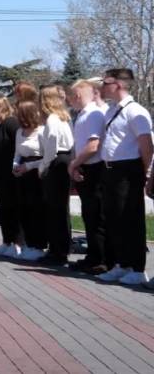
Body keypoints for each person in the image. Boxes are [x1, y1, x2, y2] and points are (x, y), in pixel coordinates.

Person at [96, 69, 153, 286]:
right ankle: (121, 263)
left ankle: (137, 268)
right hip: (110, 169)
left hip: (128, 171)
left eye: (106, 82)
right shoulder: (111, 111)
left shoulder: (135, 111)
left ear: (118, 84)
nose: (103, 86)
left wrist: (148, 175)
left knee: (130, 218)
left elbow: (146, 145)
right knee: (114, 217)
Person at [68, 79, 107, 274]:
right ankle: (92, 255)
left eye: (71, 96)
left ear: (77, 95)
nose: (70, 100)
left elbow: (93, 145)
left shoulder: (93, 114)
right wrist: (76, 165)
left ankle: (101, 258)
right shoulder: (82, 115)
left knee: (97, 216)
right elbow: (79, 144)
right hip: (84, 168)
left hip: (95, 170)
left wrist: (74, 163)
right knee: (89, 216)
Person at [37, 85, 74, 266]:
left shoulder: (52, 119)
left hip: (56, 161)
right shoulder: (63, 117)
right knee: (60, 208)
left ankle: (57, 251)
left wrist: (44, 165)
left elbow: (51, 144)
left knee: (55, 208)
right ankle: (61, 248)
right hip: (64, 159)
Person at [12, 101, 47, 261]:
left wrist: (29, 166)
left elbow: (48, 157)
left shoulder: (41, 132)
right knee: (23, 208)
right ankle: (28, 243)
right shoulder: (19, 131)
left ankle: (39, 245)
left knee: (37, 209)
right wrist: (15, 165)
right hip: (22, 171)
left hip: (37, 171)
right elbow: (17, 152)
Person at [0, 95, 22, 257]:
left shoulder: (11, 123)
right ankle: (6, 241)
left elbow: (18, 145)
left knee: (14, 207)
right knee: (3, 208)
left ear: (1, 107)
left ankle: (17, 242)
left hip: (11, 173)